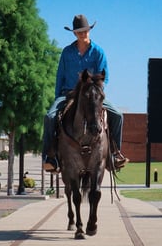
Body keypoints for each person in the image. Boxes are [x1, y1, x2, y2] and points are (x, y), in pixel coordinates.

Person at [42, 14, 129, 173]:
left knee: (118, 115)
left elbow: (105, 77)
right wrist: (57, 99)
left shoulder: (98, 52)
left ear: (89, 31)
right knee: (49, 117)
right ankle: (50, 156)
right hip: (68, 93)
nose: (83, 34)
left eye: (86, 31)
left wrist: (97, 93)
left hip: (92, 95)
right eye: (80, 31)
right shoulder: (67, 52)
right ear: (74, 33)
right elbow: (60, 76)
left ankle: (114, 153)